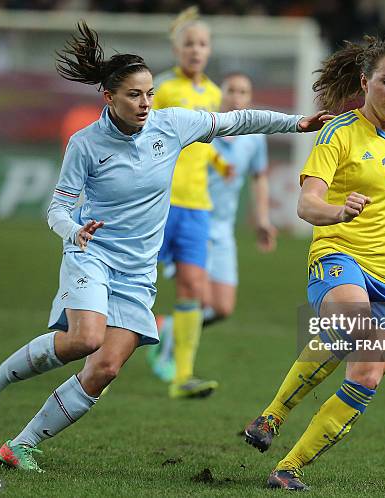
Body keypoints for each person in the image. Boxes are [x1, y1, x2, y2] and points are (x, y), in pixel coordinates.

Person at [0, 20, 331, 473]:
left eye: (150, 93)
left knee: (106, 368)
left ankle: (21, 445)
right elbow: (57, 206)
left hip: (138, 271)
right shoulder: (85, 144)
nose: (146, 103)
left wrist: (299, 122)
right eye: (135, 95)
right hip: (91, 254)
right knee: (85, 339)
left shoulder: (170, 126)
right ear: (109, 97)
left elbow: (238, 120)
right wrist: (71, 231)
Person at [243, 36, 385, 490]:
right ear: (365, 82)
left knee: (369, 372)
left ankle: (287, 467)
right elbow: (306, 203)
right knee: (355, 323)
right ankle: (274, 416)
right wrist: (337, 212)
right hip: (340, 255)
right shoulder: (338, 132)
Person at [149, 72, 277, 382]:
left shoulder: (254, 137)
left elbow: (259, 177)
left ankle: (167, 329)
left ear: (249, 99)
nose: (236, 96)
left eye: (243, 91)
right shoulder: (202, 126)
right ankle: (172, 361)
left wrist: (261, 218)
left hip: (223, 227)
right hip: (192, 218)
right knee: (200, 297)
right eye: (231, 89)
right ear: (220, 95)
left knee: (221, 308)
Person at [147, 7, 232, 399]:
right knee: (134, 284)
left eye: (202, 44)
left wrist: (218, 161)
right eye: (189, 44)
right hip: (160, 202)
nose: (195, 50)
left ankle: (182, 377)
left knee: (194, 288)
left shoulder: (214, 94)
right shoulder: (161, 89)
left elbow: (203, 141)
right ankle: (98, 368)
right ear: (177, 48)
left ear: (209, 50)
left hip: (198, 205)